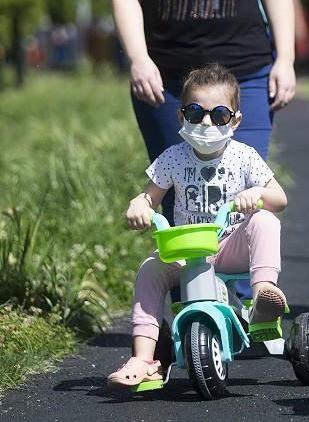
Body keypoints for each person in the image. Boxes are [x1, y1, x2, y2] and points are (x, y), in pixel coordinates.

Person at [107, 64, 288, 388]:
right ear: (181, 117)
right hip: (188, 251)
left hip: (229, 245)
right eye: (195, 112)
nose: (206, 122)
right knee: (150, 268)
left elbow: (280, 198)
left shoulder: (244, 157)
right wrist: (139, 205)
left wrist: (257, 194)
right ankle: (145, 358)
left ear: (235, 120)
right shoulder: (172, 157)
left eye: (218, 115)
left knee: (264, 219)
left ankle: (262, 298)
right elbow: (149, 197)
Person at [112, 0, 295, 224]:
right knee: (177, 195)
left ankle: (242, 258)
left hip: (247, 66)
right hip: (164, 74)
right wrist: (138, 58)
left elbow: (276, 198)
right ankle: (189, 257)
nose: (208, 124)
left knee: (250, 196)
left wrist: (286, 58)